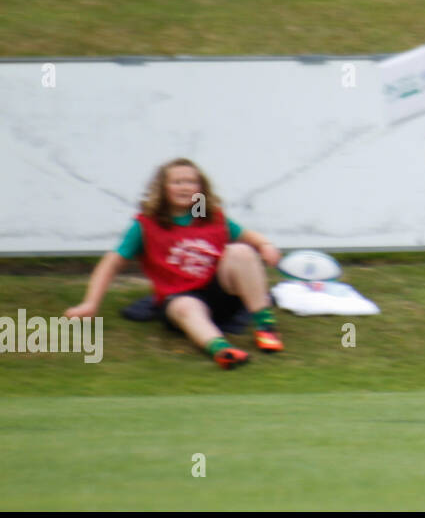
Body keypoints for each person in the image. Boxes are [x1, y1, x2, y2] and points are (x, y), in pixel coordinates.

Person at [65, 158, 285, 370]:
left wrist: (266, 246)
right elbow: (111, 263)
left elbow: (250, 237)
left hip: (219, 294)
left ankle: (266, 327)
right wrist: (90, 303)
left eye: (191, 182)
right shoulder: (146, 225)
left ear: (201, 188)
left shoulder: (210, 217)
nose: (185, 187)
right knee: (185, 307)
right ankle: (222, 350)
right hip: (180, 299)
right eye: (177, 182)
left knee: (241, 252)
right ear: (163, 188)